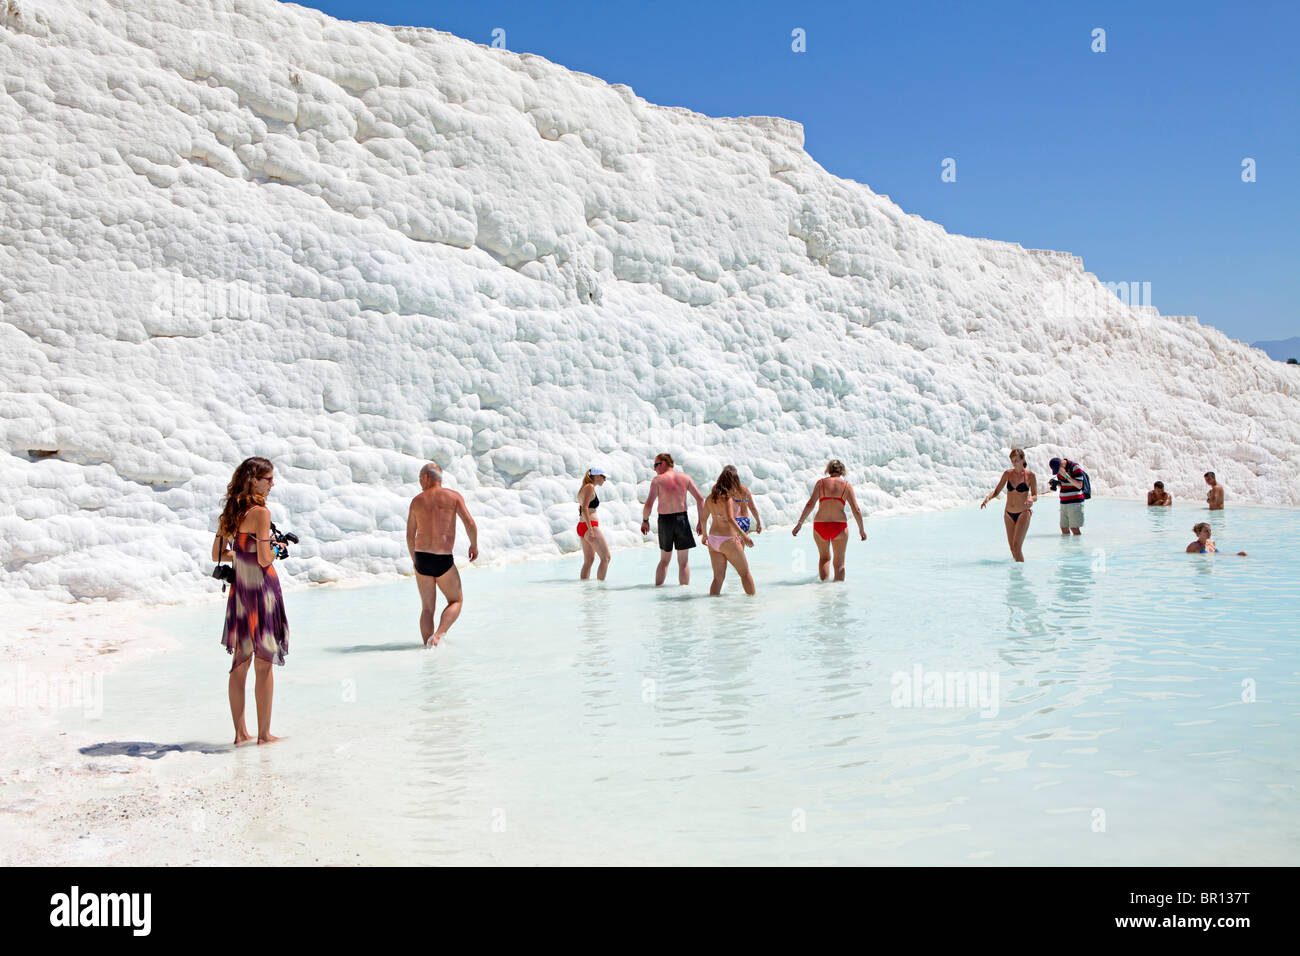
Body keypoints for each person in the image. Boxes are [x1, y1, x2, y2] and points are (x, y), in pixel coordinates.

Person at [212, 457, 288, 746]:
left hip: (240, 594)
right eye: (268, 478)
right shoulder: (260, 512)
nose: (272, 484)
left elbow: (218, 552)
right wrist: (277, 549)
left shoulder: (231, 511)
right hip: (262, 592)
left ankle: (240, 733)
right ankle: (265, 735)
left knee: (239, 663)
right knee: (264, 664)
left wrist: (243, 552)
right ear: (253, 480)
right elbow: (264, 558)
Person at [406, 461, 478, 647]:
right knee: (456, 600)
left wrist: (415, 561)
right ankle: (438, 636)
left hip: (422, 558)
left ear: (426, 478)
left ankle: (426, 646)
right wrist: (474, 545)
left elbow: (409, 535)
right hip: (442, 559)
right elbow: (470, 523)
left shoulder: (417, 501)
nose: (420, 483)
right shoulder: (453, 497)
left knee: (427, 608)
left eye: (420, 479)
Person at [792, 460, 867, 581]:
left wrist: (799, 524)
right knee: (839, 564)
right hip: (839, 527)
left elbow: (810, 504)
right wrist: (861, 530)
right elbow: (856, 510)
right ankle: (838, 595)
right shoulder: (846, 486)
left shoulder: (821, 483)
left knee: (824, 558)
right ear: (842, 471)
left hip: (820, 526)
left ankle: (824, 591)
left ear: (829, 470)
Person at [641, 453, 705, 586]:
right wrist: (701, 522)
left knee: (664, 561)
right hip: (682, 520)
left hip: (665, 521)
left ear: (664, 463)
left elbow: (648, 505)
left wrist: (645, 520)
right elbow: (700, 499)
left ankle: (658, 591)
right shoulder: (685, 478)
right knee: (683, 563)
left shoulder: (658, 480)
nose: (655, 469)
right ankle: (684, 595)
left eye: (656, 465)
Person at [702, 466, 757, 595]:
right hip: (728, 540)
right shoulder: (727, 498)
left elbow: (703, 519)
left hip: (713, 540)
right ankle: (752, 606)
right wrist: (744, 536)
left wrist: (704, 535)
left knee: (718, 578)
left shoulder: (710, 498)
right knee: (745, 573)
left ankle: (715, 610)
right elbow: (731, 520)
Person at [980, 448, 1038, 562]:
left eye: (1016, 460)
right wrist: (987, 499)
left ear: (1022, 459)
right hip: (1008, 514)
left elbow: (1035, 495)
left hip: (1023, 513)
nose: (1014, 463)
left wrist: (1031, 499)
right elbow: (997, 491)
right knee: (1012, 548)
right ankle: (1016, 573)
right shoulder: (1008, 474)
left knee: (1017, 546)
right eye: (1012, 460)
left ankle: (1020, 575)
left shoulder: (1030, 476)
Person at [577, 467, 610, 581]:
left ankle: (586, 590)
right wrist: (590, 529)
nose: (604, 480)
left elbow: (582, 508)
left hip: (583, 526)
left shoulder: (585, 488)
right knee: (606, 558)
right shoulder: (590, 487)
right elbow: (585, 507)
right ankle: (601, 590)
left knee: (589, 560)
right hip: (589, 526)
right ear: (596, 476)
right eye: (603, 477)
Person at [1048, 456, 1085, 535]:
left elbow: (1079, 485)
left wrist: (1066, 475)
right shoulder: (1060, 471)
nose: (1058, 472)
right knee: (1064, 527)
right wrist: (1056, 483)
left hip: (1075, 503)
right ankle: (1067, 547)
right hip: (1064, 503)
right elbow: (1065, 485)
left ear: (1062, 465)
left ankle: (1078, 546)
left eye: (1058, 470)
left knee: (1074, 528)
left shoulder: (1075, 467)